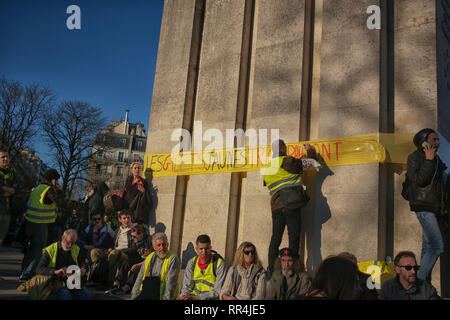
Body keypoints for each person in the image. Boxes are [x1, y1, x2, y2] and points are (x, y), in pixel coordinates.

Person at [262, 139, 318, 276]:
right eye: (285, 149)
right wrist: (310, 151)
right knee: (294, 238)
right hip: (291, 205)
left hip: (276, 208)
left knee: (275, 238)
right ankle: (294, 271)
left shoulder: (267, 167)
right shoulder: (286, 161)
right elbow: (311, 163)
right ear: (282, 149)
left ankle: (271, 269)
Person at [404, 128, 447, 281]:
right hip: (424, 206)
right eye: (434, 139)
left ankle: (423, 289)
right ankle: (418, 285)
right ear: (424, 142)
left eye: (438, 139)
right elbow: (420, 181)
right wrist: (428, 160)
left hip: (435, 208)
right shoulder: (415, 158)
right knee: (437, 246)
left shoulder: (437, 160)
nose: (438, 142)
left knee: (427, 248)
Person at [20, 169, 65, 283]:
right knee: (39, 250)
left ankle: (24, 271)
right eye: (57, 180)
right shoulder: (48, 190)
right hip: (41, 223)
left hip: (30, 222)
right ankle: (27, 275)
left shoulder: (37, 189)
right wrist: (60, 190)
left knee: (31, 249)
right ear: (53, 179)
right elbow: (60, 202)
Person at [36, 229, 90, 300]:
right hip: (56, 283)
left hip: (73, 283)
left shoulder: (76, 249)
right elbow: (39, 269)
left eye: (73, 243)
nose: (70, 246)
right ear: (62, 238)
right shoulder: (50, 250)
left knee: (85, 294)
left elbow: (84, 263)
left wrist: (83, 269)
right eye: (68, 242)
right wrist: (55, 271)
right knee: (65, 294)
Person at [130, 233, 179, 300]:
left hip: (162, 296)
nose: (162, 248)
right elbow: (140, 277)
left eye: (164, 244)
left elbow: (171, 282)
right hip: (147, 293)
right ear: (154, 247)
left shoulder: (173, 258)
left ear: (167, 244)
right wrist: (133, 296)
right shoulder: (150, 257)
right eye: (159, 245)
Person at [179, 234, 227, 300]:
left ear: (210, 248)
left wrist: (196, 298)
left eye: (206, 249)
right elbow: (187, 286)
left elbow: (217, 292)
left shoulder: (219, 264)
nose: (204, 252)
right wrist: (183, 297)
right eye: (201, 249)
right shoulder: (192, 263)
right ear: (196, 249)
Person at [107, 224, 151, 295]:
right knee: (127, 262)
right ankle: (116, 283)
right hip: (140, 260)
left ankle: (126, 288)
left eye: (134, 236)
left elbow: (152, 257)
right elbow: (130, 250)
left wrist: (139, 264)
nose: (132, 238)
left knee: (137, 269)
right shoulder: (135, 243)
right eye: (131, 236)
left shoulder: (149, 240)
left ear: (141, 234)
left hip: (148, 262)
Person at [0, 149, 19, 246]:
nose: (6, 159)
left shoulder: (12, 174)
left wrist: (4, 189)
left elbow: (17, 189)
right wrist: (10, 190)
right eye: (3, 157)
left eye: (7, 157)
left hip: (7, 212)